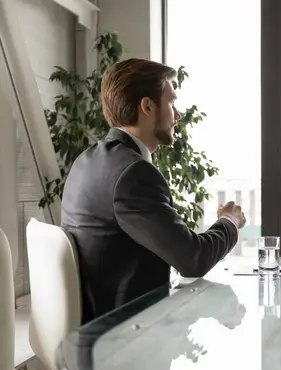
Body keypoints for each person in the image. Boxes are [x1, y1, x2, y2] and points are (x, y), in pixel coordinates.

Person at [61, 58, 245, 323]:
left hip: (101, 325)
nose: (178, 114)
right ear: (147, 106)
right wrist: (231, 222)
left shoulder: (87, 160)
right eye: (171, 102)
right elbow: (194, 260)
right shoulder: (133, 173)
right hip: (126, 337)